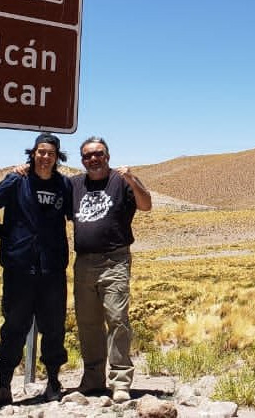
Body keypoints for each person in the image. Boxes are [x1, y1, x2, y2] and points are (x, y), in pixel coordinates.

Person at [0, 133, 73, 408]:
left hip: (52, 269)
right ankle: (3, 385)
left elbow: (75, 214)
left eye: (51, 153)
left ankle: (53, 381)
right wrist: (1, 232)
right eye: (41, 152)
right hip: (19, 269)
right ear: (32, 154)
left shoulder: (63, 185)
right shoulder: (17, 181)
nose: (45, 157)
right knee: (14, 328)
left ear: (57, 157)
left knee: (54, 328)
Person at [70, 136, 152, 402]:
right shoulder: (74, 185)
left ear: (107, 155)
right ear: (82, 160)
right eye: (88, 156)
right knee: (87, 323)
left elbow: (146, 204)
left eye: (98, 154)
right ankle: (93, 379)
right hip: (83, 262)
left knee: (117, 320)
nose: (93, 159)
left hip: (114, 261)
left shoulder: (120, 181)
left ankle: (120, 381)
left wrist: (133, 179)